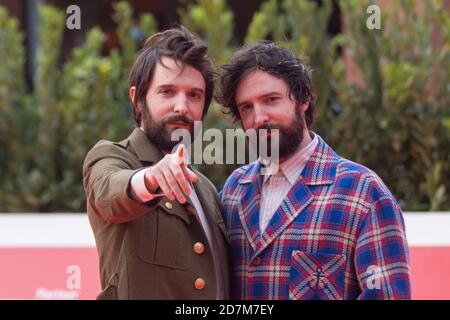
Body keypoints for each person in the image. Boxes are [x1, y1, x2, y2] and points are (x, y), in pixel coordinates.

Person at [217, 41, 411, 300]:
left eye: (271, 100)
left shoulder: (364, 194)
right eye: (246, 107)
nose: (258, 118)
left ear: (304, 99)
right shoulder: (233, 192)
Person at [83, 26, 229, 300]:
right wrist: (150, 179)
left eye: (194, 95)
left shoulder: (207, 189)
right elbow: (110, 191)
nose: (181, 107)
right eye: (167, 91)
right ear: (137, 100)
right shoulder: (111, 157)